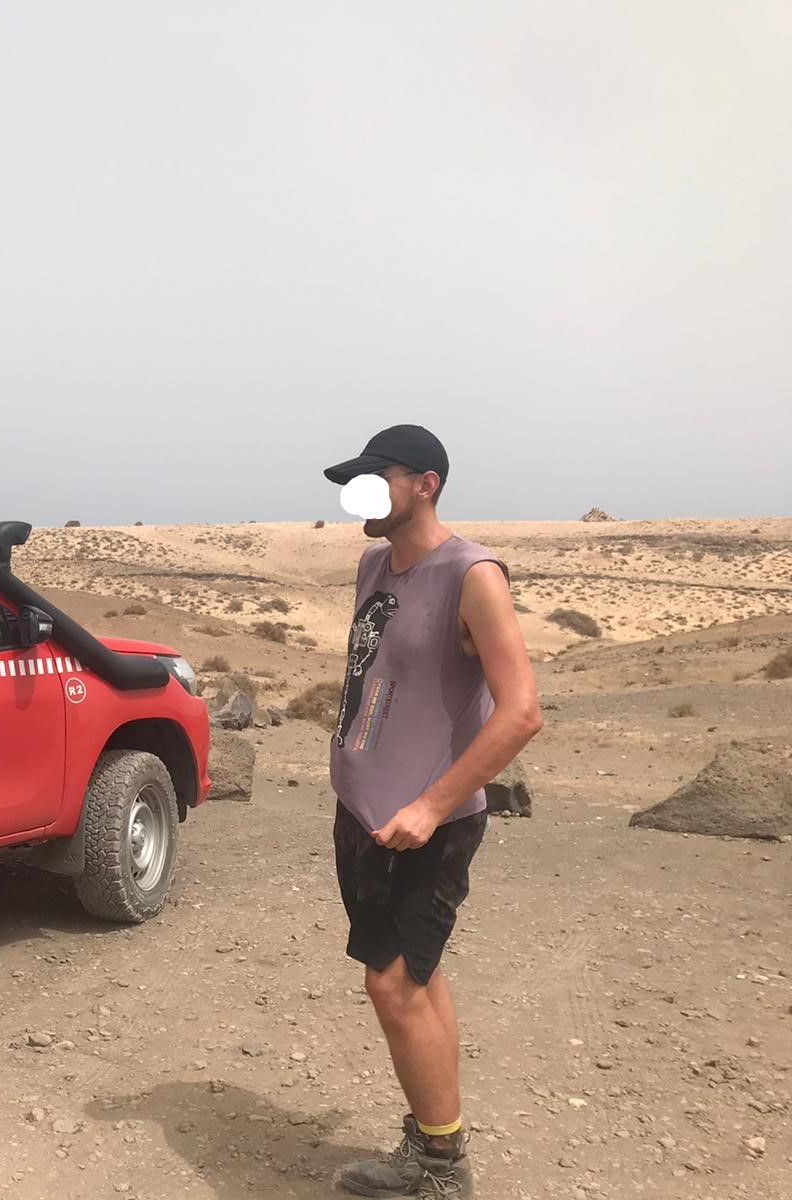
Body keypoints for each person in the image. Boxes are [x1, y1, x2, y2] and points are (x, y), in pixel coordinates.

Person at [322, 426, 542, 1199]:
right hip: (363, 809)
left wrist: (431, 804)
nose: (361, 497)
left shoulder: (472, 574)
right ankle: (433, 1143)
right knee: (416, 977)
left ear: (426, 483)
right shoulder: (373, 564)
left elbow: (520, 713)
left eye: (374, 480)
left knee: (394, 988)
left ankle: (442, 1173)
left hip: (425, 824)